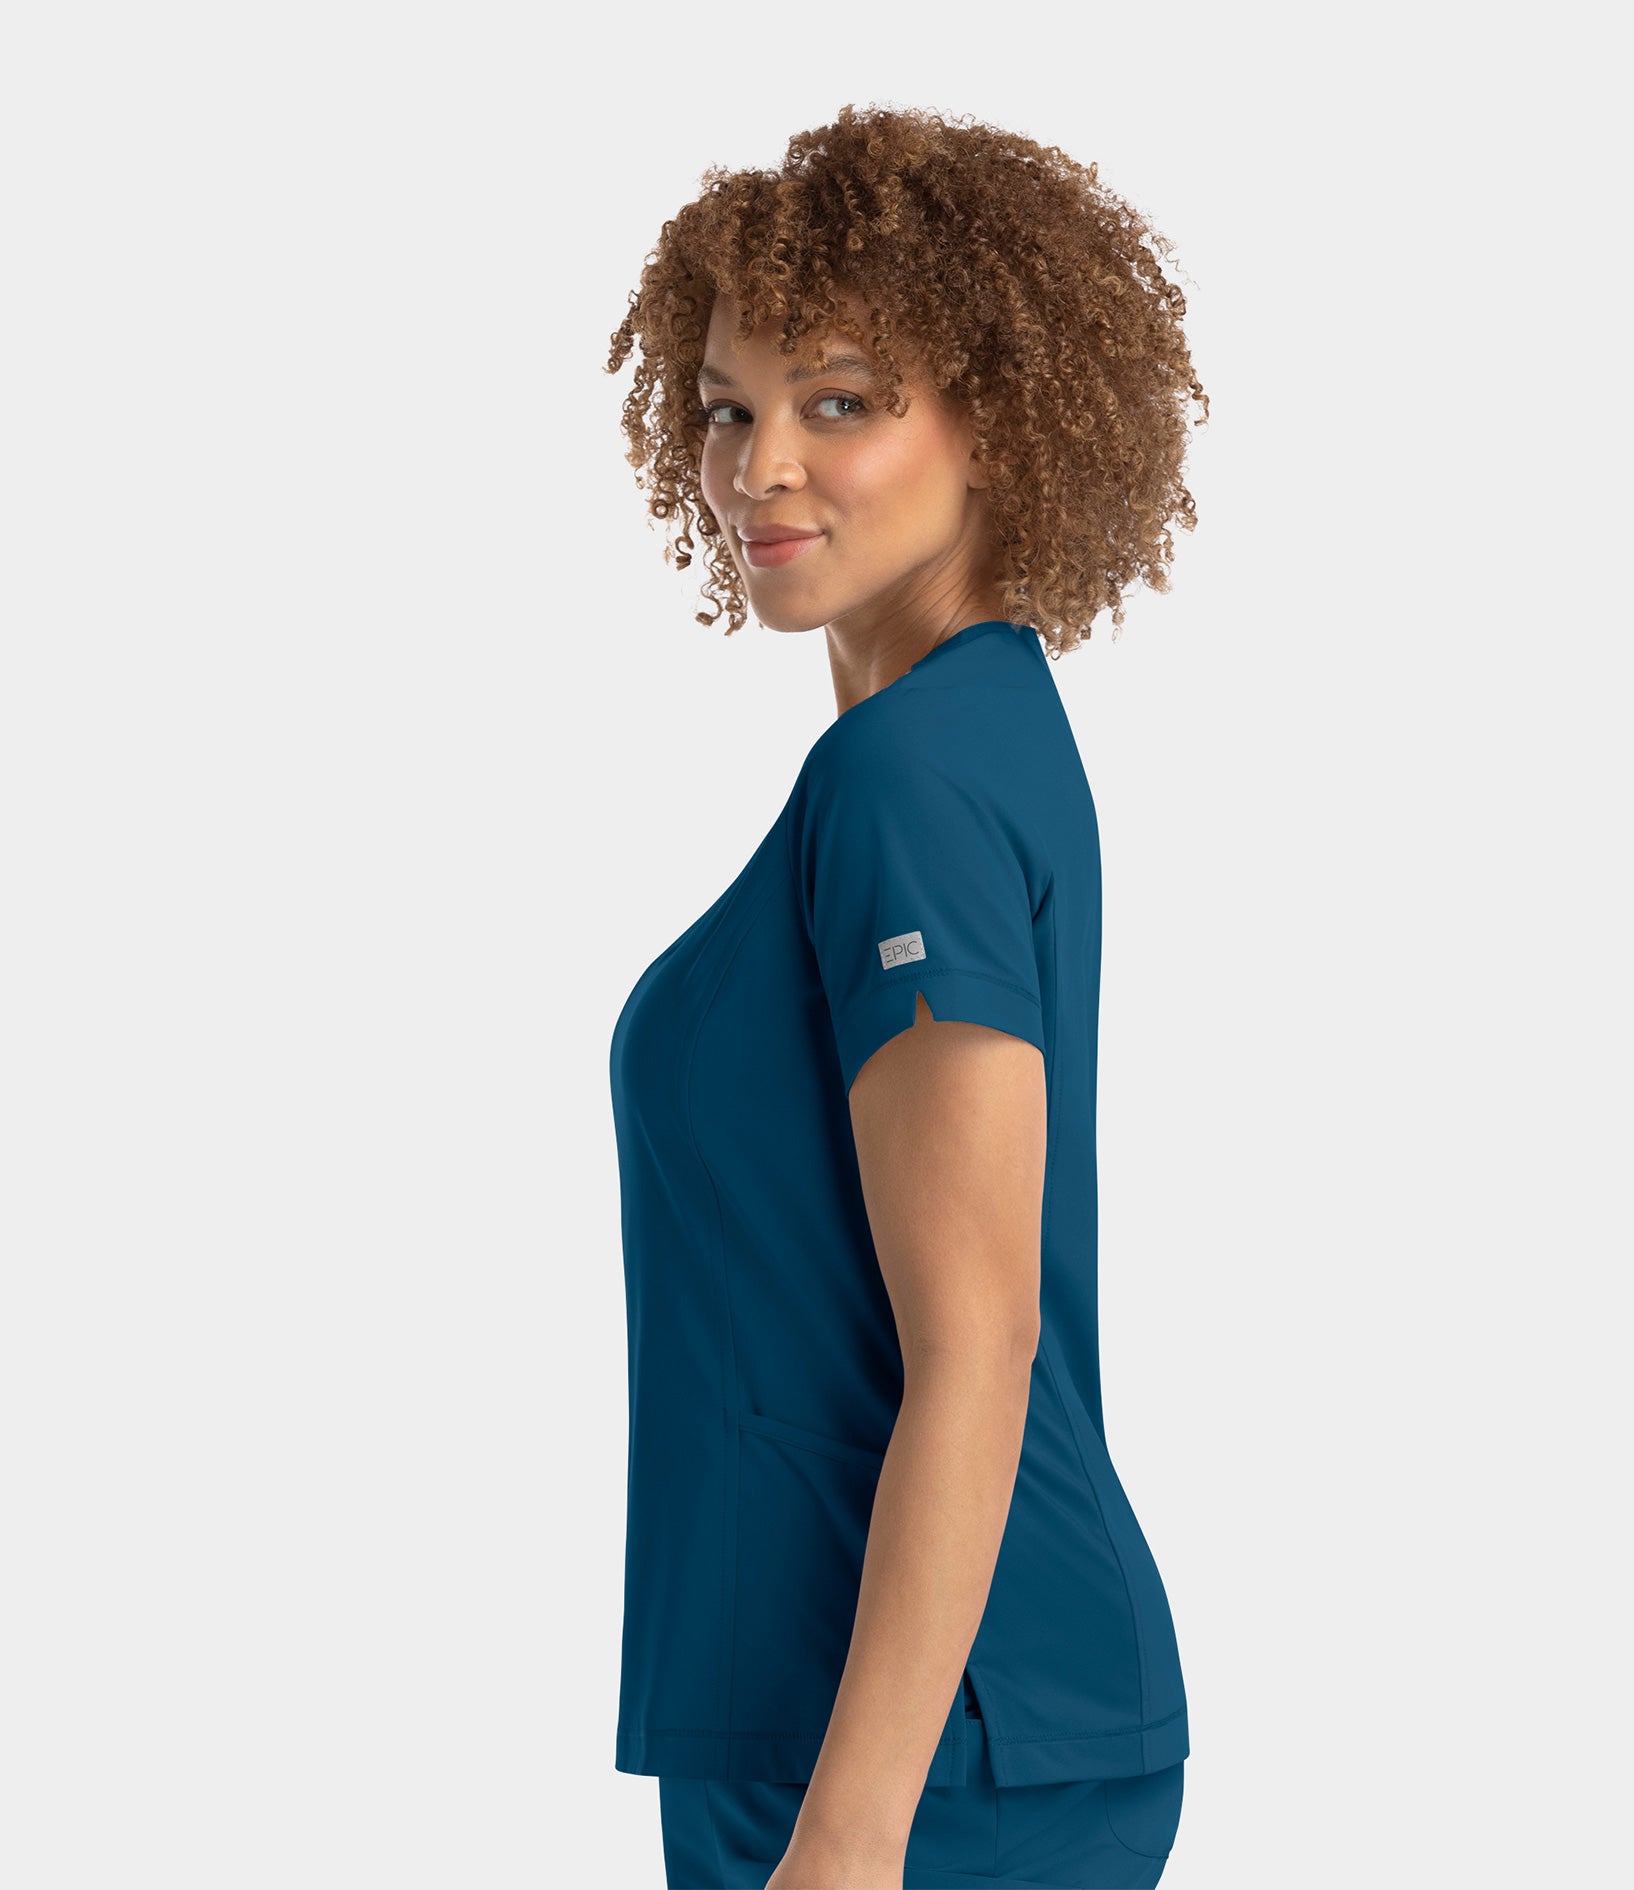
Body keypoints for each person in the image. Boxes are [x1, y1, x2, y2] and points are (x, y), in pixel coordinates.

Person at [603, 103, 1209, 1890]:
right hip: (894, 1722)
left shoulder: (910, 779)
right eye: (729, 407)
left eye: (842, 401)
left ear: (998, 418)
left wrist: (849, 1837)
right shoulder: (974, 731)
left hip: (913, 1759)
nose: (761, 466)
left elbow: (979, 1335)